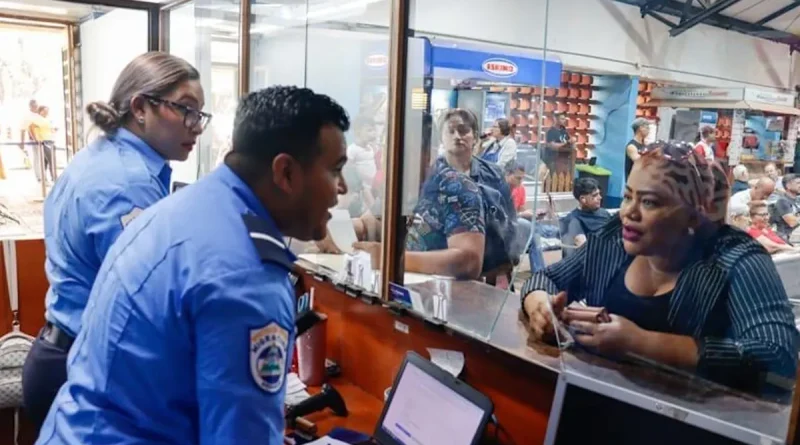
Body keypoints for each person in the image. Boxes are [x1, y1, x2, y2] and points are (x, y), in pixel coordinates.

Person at [36, 86, 348, 444]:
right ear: (286, 173)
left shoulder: (186, 209)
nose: (341, 188)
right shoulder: (246, 276)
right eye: (335, 169)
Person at [22, 52, 207, 433]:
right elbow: (148, 302)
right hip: (86, 366)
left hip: (59, 352)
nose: (196, 126)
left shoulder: (102, 158)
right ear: (141, 107)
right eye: (186, 110)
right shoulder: (129, 184)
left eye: (200, 114)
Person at [521, 141, 798, 393]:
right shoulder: (614, 237)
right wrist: (541, 308)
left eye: (649, 202)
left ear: (693, 213)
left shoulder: (737, 257)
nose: (628, 212)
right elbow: (546, 278)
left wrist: (641, 344)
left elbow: (777, 355)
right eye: (628, 197)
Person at [562, 177, 611, 250]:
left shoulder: (604, 213)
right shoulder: (573, 220)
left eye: (599, 194)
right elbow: (584, 248)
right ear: (583, 199)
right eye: (595, 195)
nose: (600, 197)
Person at [29, 105, 56, 183]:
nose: (46, 113)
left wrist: (53, 130)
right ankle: (53, 177)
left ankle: (45, 178)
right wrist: (35, 139)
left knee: (46, 162)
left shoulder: (46, 119)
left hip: (49, 140)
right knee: (51, 160)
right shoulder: (38, 119)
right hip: (44, 141)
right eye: (44, 111)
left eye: (47, 111)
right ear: (40, 111)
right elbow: (31, 128)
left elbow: (49, 129)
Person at [770, 173, 799, 242]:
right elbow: (792, 222)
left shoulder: (798, 199)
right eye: (798, 183)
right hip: (786, 236)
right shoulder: (782, 201)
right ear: (788, 186)